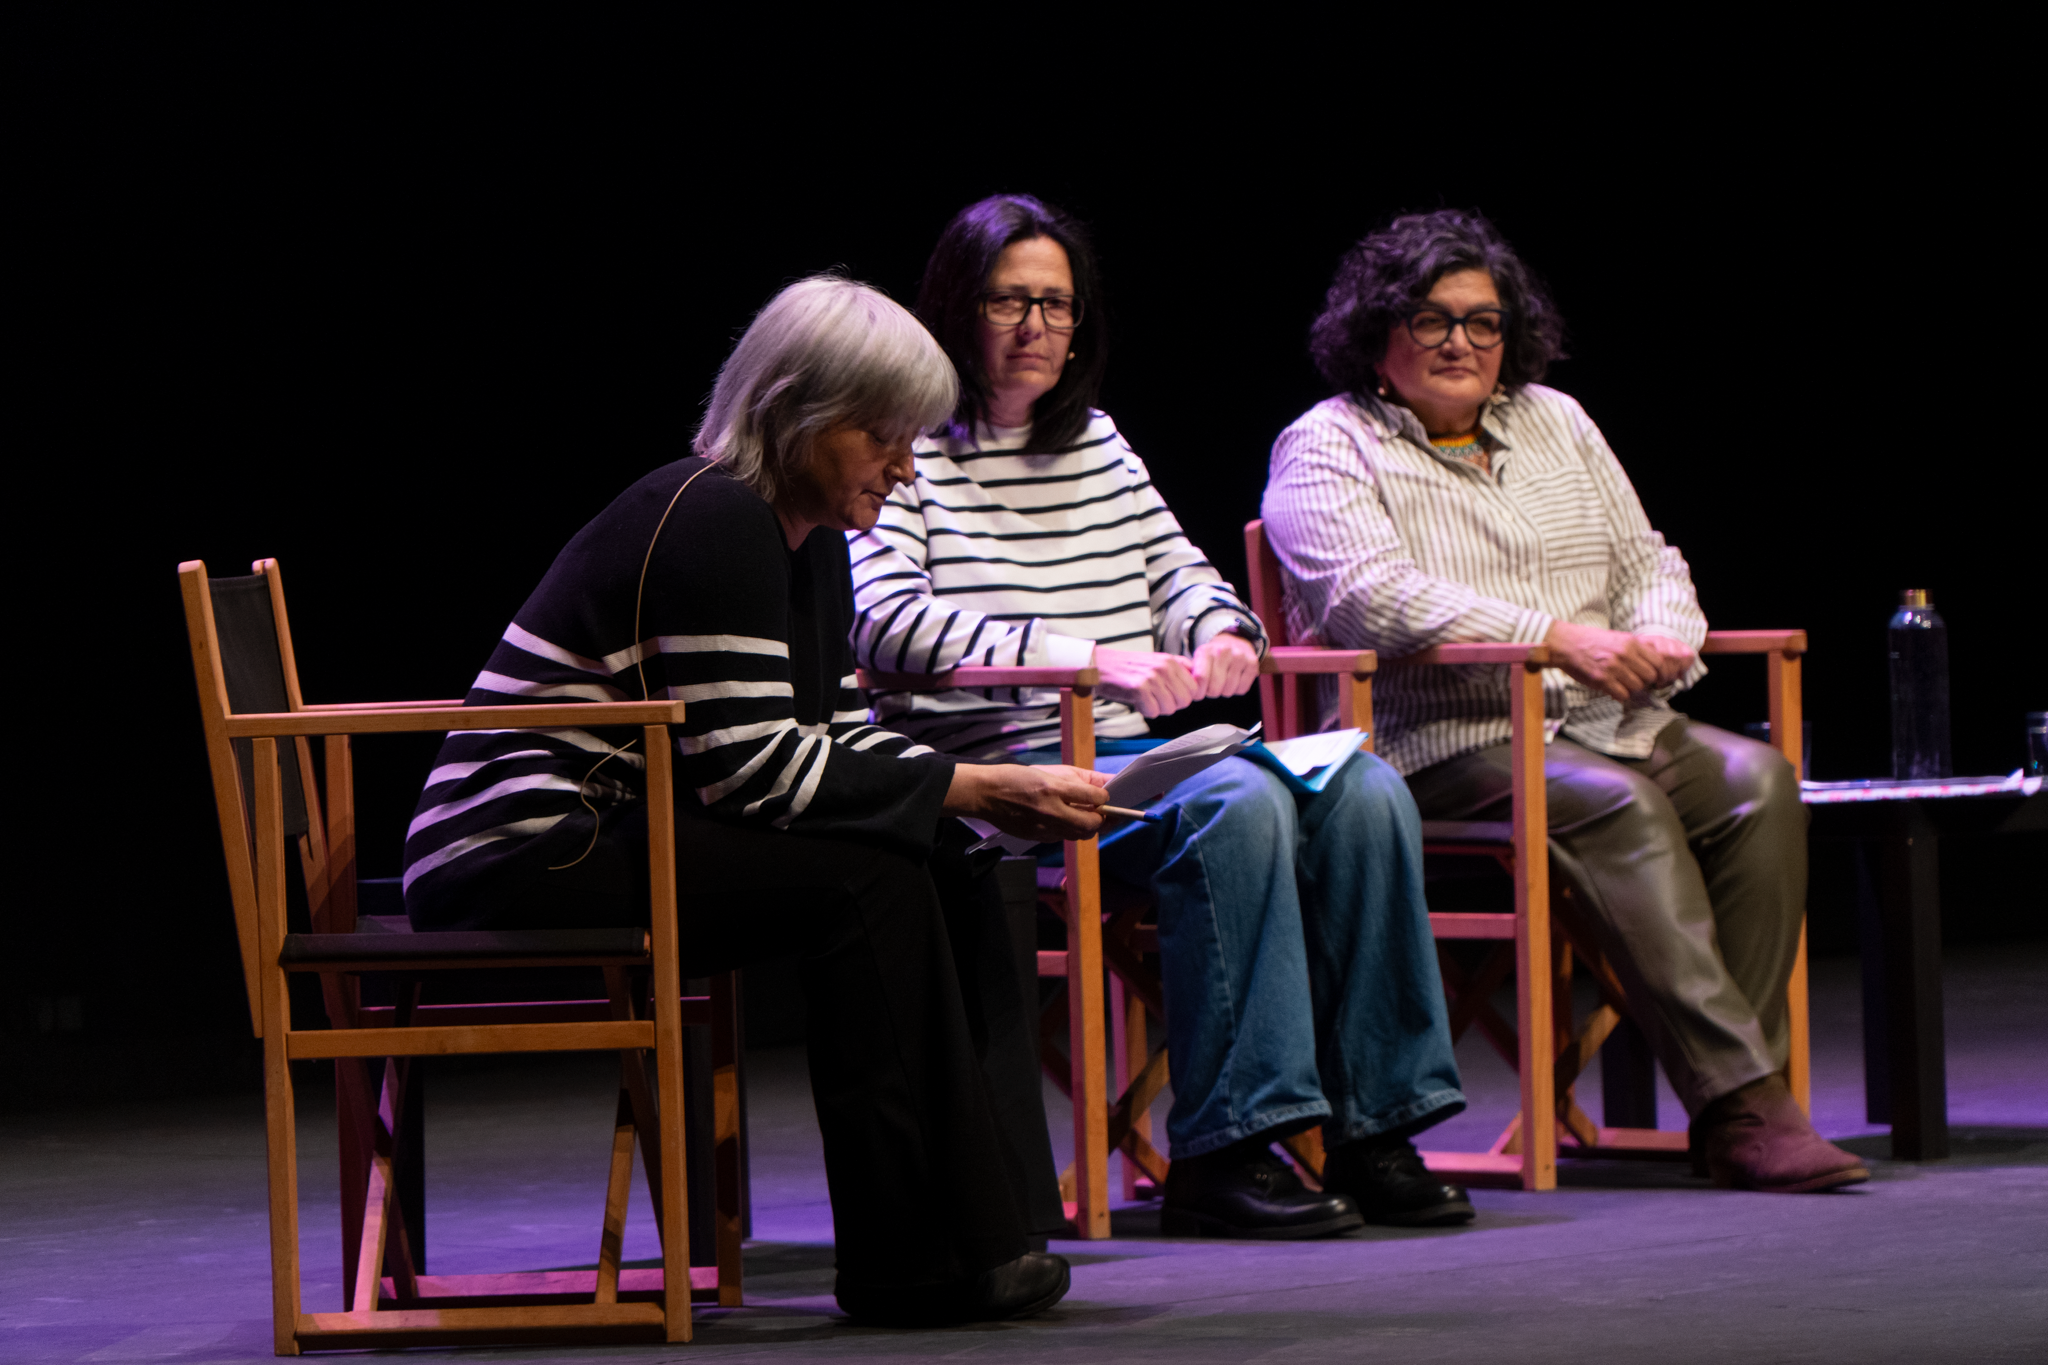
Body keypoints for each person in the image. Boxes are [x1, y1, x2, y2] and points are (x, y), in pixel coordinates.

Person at [400, 277, 1110, 1324]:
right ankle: (905, 1263)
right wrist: (967, 781)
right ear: (802, 414)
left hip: (626, 822)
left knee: (947, 857)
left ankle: (985, 1230)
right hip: (528, 848)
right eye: (882, 437)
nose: (904, 467)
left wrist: (961, 804)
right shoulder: (713, 517)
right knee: (867, 878)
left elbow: (822, 734)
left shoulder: (810, 541)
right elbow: (752, 772)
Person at [850, 193, 1474, 1238]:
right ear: (956, 310)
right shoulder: (904, 447)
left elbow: (1178, 572)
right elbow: (886, 625)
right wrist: (1094, 664)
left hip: (1155, 748)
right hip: (1016, 769)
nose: (1036, 327)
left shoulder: (1092, 440)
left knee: (1363, 787)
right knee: (1237, 805)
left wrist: (1223, 632)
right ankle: (1227, 1145)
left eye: (1057, 304)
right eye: (1009, 301)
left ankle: (1375, 1129)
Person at [1263, 209, 1868, 1193]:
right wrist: (1554, 639)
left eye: (1481, 322)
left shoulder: (1556, 420)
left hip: (1605, 720)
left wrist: (1660, 637)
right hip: (1434, 741)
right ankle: (1744, 1104)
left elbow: (1645, 559)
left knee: (1756, 781)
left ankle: (1739, 1103)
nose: (1459, 341)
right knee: (1616, 803)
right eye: (1428, 319)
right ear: (1377, 331)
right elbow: (1364, 596)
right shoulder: (1328, 445)